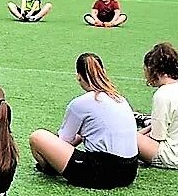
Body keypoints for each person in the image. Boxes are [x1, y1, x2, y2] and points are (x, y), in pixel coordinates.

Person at [28, 53, 139, 189]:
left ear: (78, 76)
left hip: (102, 173)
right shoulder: (119, 98)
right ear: (103, 73)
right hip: (130, 171)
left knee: (38, 137)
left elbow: (65, 141)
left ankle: (51, 167)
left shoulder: (80, 103)